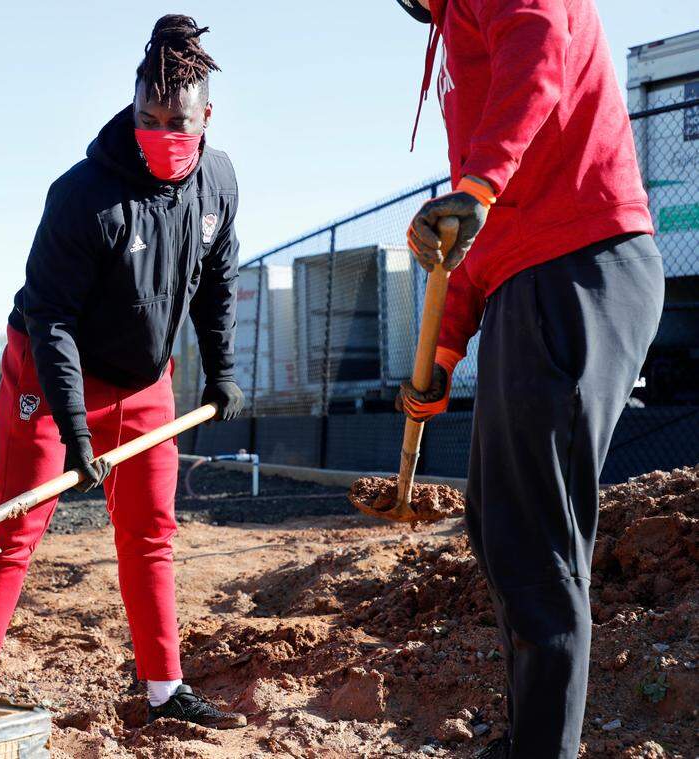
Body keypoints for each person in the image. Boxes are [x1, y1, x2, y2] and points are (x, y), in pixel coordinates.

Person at [0, 15, 246, 729]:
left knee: (150, 532)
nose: (162, 132)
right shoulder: (84, 195)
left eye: (177, 120)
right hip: (48, 378)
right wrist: (75, 428)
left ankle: (165, 690)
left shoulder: (219, 182)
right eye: (149, 117)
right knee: (13, 526)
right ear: (133, 105)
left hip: (145, 384)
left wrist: (223, 369)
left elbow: (219, 277)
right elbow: (50, 320)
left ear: (207, 115)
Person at [392, 1, 664, 757]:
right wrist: (442, 354)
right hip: (531, 271)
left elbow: (540, 38)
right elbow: (480, 238)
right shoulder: (456, 37)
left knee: (536, 536)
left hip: (578, 260)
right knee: (500, 520)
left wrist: (477, 184)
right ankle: (533, 738)